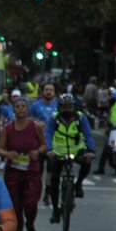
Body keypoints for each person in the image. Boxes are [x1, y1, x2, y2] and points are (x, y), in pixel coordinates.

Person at [0, 98, 46, 231]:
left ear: (28, 109)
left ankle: (30, 224)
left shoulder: (34, 126)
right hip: (13, 172)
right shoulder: (8, 128)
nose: (21, 109)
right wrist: (7, 154)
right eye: (17, 106)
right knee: (15, 206)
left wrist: (37, 152)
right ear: (13, 110)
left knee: (30, 204)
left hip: (31, 171)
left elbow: (44, 145)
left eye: (24, 106)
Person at [45, 94, 96, 224]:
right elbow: (48, 133)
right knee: (54, 181)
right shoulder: (54, 118)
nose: (67, 110)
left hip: (77, 150)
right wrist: (49, 150)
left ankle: (79, 183)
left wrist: (90, 151)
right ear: (59, 107)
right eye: (64, 107)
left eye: (70, 107)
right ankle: (56, 210)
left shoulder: (80, 118)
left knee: (87, 161)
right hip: (58, 153)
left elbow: (88, 134)